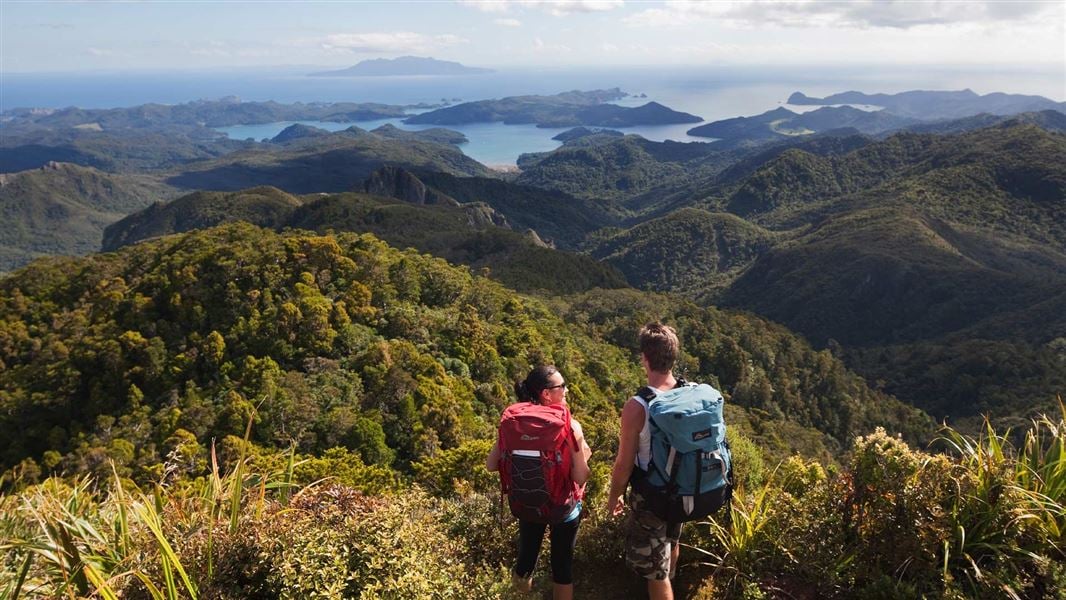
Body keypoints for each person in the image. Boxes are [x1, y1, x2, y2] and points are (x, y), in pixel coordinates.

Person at [487, 365, 592, 600]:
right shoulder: (570, 426)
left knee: (525, 560)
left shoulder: (514, 422)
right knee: (562, 568)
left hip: (527, 503)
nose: (566, 390)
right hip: (563, 508)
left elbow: (491, 464)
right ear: (546, 393)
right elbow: (580, 477)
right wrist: (584, 451)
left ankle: (519, 596)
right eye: (561, 387)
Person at [607, 322, 684, 600]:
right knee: (671, 543)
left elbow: (624, 464)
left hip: (652, 495)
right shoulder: (688, 393)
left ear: (644, 358)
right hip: (682, 490)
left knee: (655, 572)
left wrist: (614, 496)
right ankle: (673, 585)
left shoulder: (637, 406)